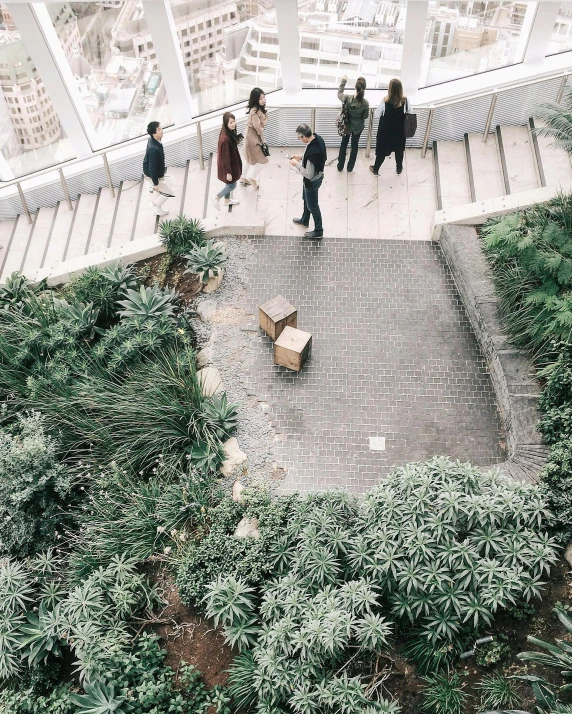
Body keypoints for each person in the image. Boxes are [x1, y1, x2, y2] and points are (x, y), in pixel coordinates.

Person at [290, 123, 327, 240]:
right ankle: (305, 220)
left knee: (313, 206)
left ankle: (318, 230)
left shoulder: (313, 155)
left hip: (312, 182)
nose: (299, 139)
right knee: (306, 199)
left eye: (299, 137)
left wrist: (297, 165)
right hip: (314, 179)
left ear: (304, 137)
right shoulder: (317, 139)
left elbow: (309, 174)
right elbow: (308, 153)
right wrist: (301, 157)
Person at [370, 78, 408, 176]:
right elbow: (410, 113)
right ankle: (399, 168)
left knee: (381, 152)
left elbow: (377, 114)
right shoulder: (405, 101)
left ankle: (376, 169)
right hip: (399, 133)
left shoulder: (385, 101)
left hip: (385, 133)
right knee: (399, 151)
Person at [337, 75, 369, 173]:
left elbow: (339, 93)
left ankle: (340, 166)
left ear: (355, 87)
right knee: (354, 146)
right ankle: (350, 167)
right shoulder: (365, 103)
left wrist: (343, 81)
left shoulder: (347, 98)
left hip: (347, 125)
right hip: (358, 128)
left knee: (344, 144)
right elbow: (365, 116)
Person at [143, 121, 174, 216]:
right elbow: (152, 168)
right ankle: (154, 205)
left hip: (154, 172)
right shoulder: (153, 148)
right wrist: (155, 183)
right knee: (169, 192)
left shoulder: (153, 140)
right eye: (159, 130)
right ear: (154, 133)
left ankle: (155, 209)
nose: (162, 131)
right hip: (152, 174)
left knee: (168, 183)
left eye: (161, 128)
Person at [212, 112, 242, 211]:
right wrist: (228, 172)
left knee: (229, 184)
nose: (233, 124)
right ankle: (217, 197)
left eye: (234, 121)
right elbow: (225, 157)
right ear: (226, 124)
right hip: (229, 166)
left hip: (231, 164)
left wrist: (237, 139)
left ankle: (227, 200)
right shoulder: (225, 139)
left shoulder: (227, 132)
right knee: (232, 185)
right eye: (230, 122)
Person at [242, 87, 268, 189]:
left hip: (251, 136)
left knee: (249, 158)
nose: (264, 100)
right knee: (263, 159)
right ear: (256, 99)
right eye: (261, 98)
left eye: (264, 97)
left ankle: (243, 177)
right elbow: (258, 128)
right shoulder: (254, 112)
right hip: (252, 138)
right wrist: (263, 138)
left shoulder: (259, 109)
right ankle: (251, 177)